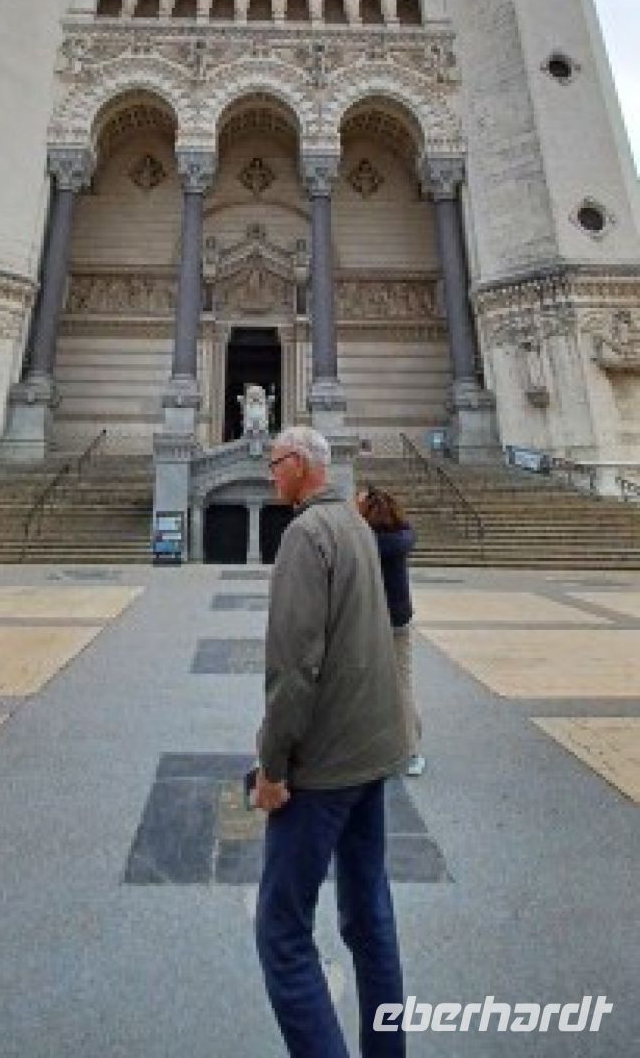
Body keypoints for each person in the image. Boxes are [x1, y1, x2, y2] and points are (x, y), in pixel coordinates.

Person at [253, 425, 407, 1058]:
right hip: (373, 748)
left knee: (282, 933)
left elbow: (295, 664)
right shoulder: (356, 526)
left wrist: (272, 764)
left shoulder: (305, 534)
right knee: (370, 919)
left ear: (301, 466)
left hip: (325, 764)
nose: (269, 474)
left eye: (274, 463)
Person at [356, 486, 425, 777]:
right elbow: (408, 527)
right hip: (400, 622)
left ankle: (395, 748)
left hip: (371, 622)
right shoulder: (402, 538)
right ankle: (411, 749)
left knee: (365, 685)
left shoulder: (365, 543)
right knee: (402, 685)